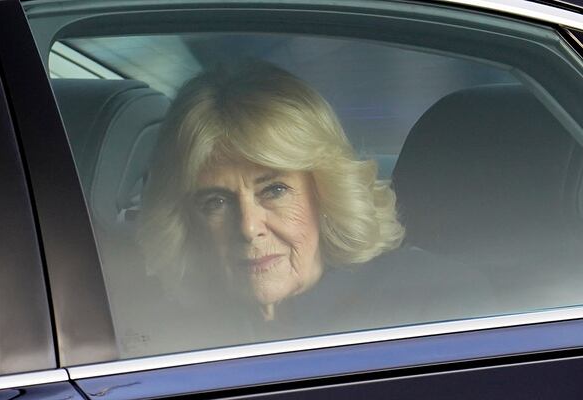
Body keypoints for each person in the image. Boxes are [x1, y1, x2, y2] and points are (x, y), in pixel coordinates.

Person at [138, 61, 492, 347]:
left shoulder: (435, 302)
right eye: (216, 201)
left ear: (325, 192)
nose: (248, 227)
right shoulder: (160, 334)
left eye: (273, 190)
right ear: (187, 222)